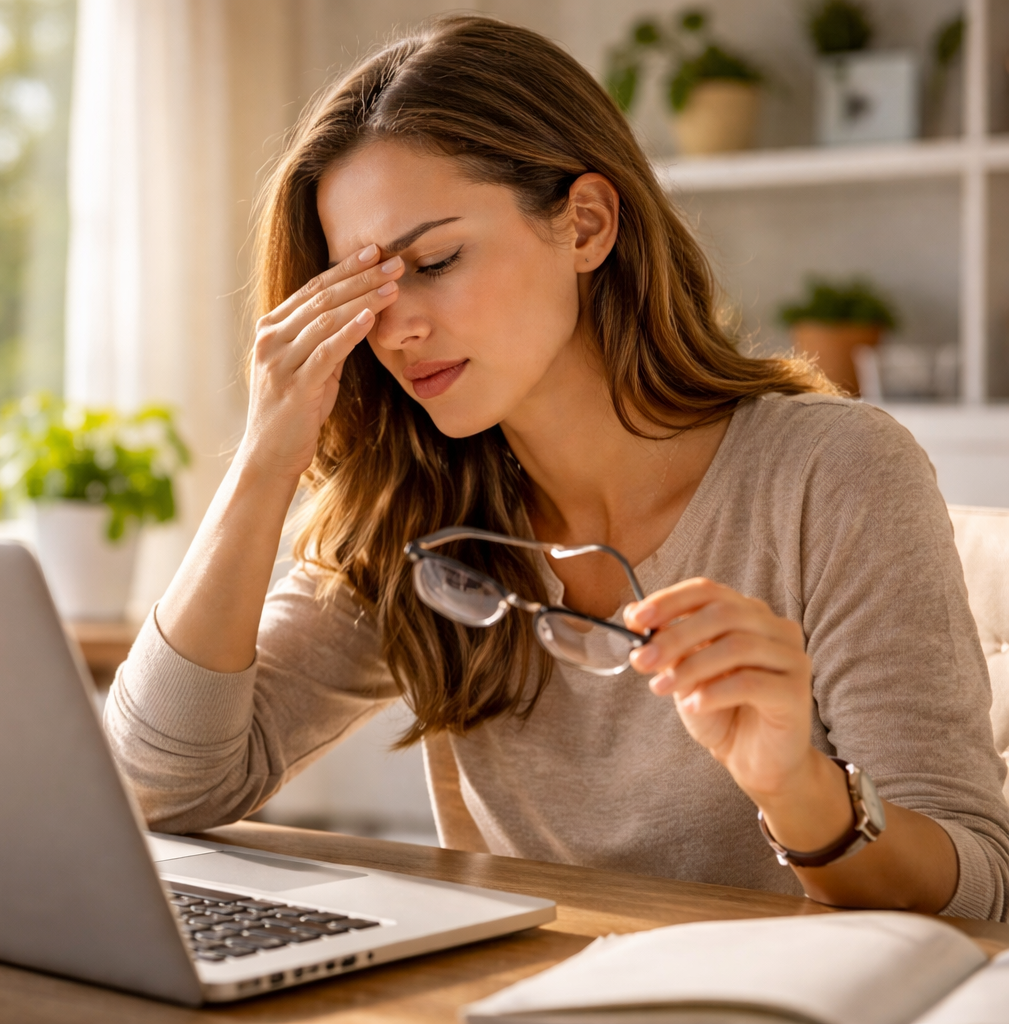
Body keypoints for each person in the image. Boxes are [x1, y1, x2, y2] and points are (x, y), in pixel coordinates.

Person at [103, 14, 1009, 920]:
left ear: (585, 225)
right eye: (363, 290)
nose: (397, 328)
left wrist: (800, 789)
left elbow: (976, 889)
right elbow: (160, 785)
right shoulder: (420, 513)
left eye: (436, 260)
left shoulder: (834, 474)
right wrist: (266, 457)